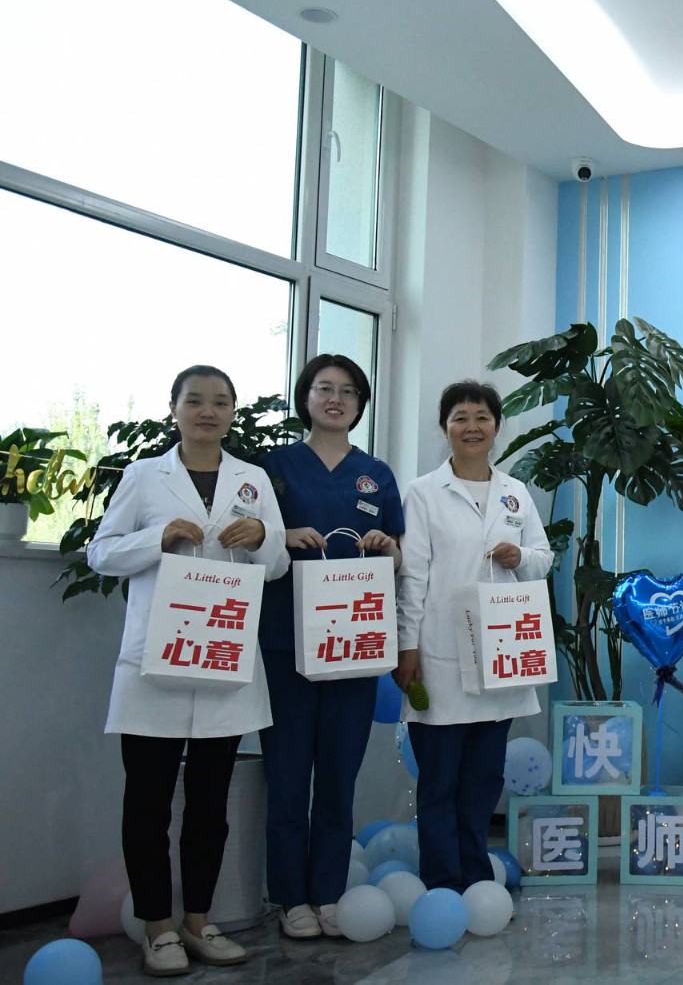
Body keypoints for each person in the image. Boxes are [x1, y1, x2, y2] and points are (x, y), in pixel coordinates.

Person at [88, 364, 289, 976]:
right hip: (158, 662)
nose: (208, 411)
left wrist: (261, 535)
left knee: (209, 805)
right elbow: (101, 552)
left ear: (231, 413)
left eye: (220, 402)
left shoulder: (253, 479)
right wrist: (156, 537)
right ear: (174, 408)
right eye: (195, 400)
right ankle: (158, 928)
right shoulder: (144, 475)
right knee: (147, 803)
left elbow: (277, 564)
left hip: (223, 658)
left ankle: (199, 922)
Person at [257, 355, 403, 940]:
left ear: (360, 404)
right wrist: (280, 535)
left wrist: (386, 546)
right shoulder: (274, 469)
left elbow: (398, 554)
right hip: (287, 643)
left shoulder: (377, 475)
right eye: (323, 388)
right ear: (306, 397)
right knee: (288, 775)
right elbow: (250, 540)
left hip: (353, 646)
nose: (335, 399)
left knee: (339, 777)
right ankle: (290, 897)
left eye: (347, 391)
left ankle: (328, 892)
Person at [394, 380, 552, 892]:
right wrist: (407, 645)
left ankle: (475, 875)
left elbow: (543, 559)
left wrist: (520, 556)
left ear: (497, 426)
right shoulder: (423, 493)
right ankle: (443, 881)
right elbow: (412, 575)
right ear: (444, 427)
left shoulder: (515, 493)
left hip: (501, 653)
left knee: (484, 776)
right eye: (460, 417)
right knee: (440, 778)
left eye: (482, 417)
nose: (472, 427)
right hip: (440, 652)